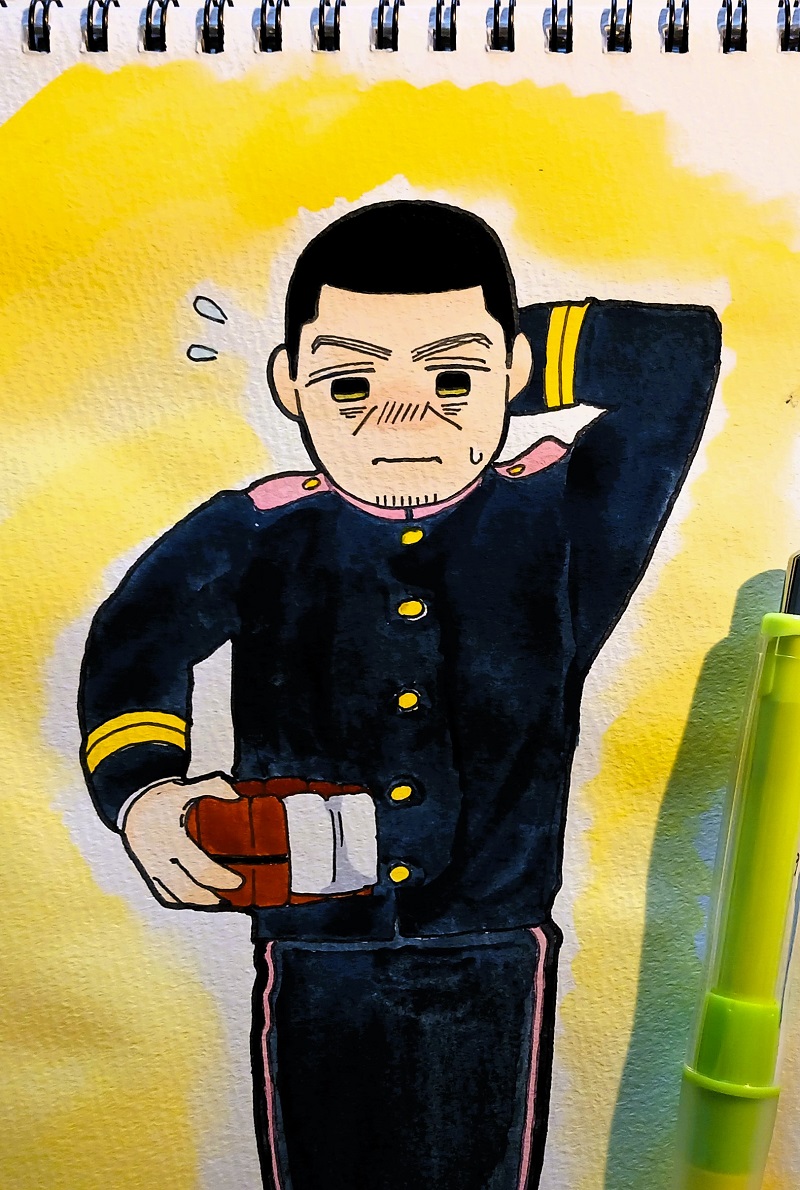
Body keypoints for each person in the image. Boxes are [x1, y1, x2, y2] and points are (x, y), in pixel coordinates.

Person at [79, 200, 721, 1189]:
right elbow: (137, 637)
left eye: (452, 380)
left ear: (514, 372)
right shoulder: (258, 530)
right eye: (350, 383)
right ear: (290, 384)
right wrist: (145, 790)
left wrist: (457, 347)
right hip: (315, 943)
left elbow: (674, 355)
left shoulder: (564, 522)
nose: (402, 418)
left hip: (491, 944)